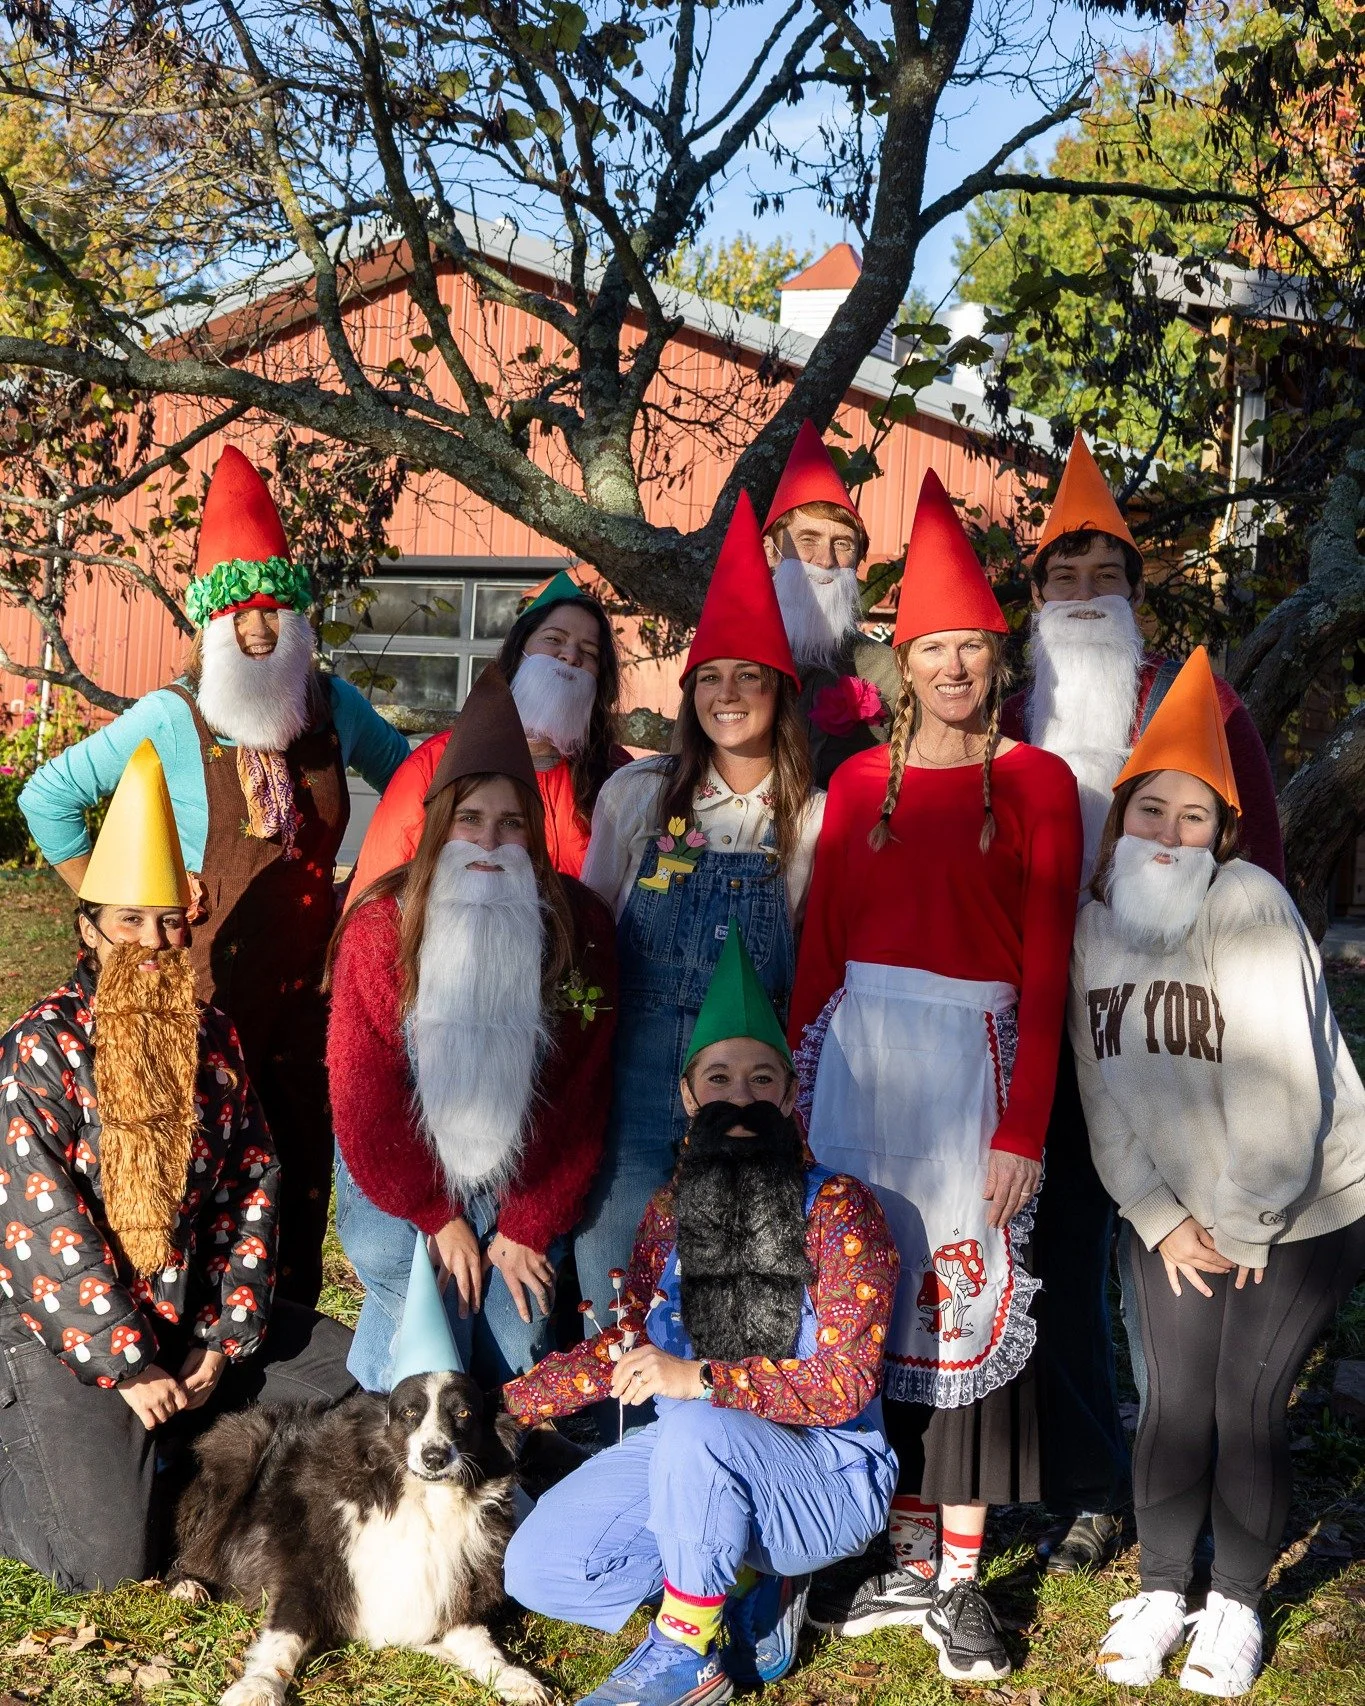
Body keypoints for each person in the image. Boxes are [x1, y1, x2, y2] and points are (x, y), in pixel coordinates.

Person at [787, 469, 1082, 1682]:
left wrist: (1024, 1129)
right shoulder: (858, 784)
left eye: (972, 646)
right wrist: (797, 1104)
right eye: (933, 648)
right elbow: (817, 955)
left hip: (975, 1075)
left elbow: (1052, 961)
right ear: (902, 663)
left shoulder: (1038, 785)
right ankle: (903, 1547)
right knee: (873, 1298)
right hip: (861, 1074)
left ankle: (964, 1573)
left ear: (996, 658)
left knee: (960, 1306)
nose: (954, 667)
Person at [19, 448, 410, 1306]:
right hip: (194, 990)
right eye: (239, 617)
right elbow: (46, 798)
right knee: (193, 1170)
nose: (259, 632)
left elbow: (414, 784)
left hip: (310, 995)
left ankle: (281, 1342)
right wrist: (118, 904)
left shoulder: (333, 706)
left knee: (298, 1166)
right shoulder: (171, 714)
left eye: (272, 611)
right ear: (211, 626)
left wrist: (377, 891)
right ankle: (173, 1345)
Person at [999, 433, 1285, 1575]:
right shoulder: (1012, 707)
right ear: (1034, 597)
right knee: (1065, 1249)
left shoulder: (1196, 699)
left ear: (1134, 590)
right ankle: (1090, 1481)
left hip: (1185, 1032)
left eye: (1102, 576)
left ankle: (1206, 1477)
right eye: (1060, 578)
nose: (1080, 596)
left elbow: (1258, 845)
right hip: (1053, 1025)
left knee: (1185, 1256)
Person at [1069, 646, 1365, 1698]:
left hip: (1300, 1206)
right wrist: (1155, 1212)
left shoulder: (1245, 901)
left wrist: (1236, 1226)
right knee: (1171, 1401)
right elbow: (1101, 1088)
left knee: (1243, 1401)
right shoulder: (1096, 920)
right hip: (1181, 1207)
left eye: (1196, 816)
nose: (1171, 832)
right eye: (1154, 809)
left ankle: (1235, 1600)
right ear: (1123, 813)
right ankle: (1159, 1585)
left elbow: (1285, 1095)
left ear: (1224, 832)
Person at [503, 930, 899, 1706]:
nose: (741, 1097)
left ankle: (687, 1656)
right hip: (698, 1455)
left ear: (789, 1096)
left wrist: (700, 1378)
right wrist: (503, 1407)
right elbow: (625, 1346)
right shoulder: (667, 1211)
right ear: (687, 1096)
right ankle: (735, 1585)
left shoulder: (841, 1207)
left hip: (823, 1475)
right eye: (718, 1078)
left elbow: (847, 1383)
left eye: (761, 1079)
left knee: (692, 1421)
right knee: (537, 1567)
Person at [0, 741, 356, 1593]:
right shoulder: (38, 1048)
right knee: (108, 1566)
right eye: (130, 921)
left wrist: (219, 1340)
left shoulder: (214, 1042)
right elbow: (38, 1221)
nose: (154, 941)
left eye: (169, 922)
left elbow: (253, 1189)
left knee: (364, 1381)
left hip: (187, 1322)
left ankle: (173, 1454)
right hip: (59, 1337)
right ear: (88, 927)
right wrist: (126, 1362)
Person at [326, 665, 618, 1392]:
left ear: (534, 831)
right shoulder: (380, 927)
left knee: (513, 1350)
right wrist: (434, 1214)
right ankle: (378, 1455)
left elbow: (577, 1092)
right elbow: (365, 1092)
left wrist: (527, 1223)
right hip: (399, 1169)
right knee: (421, 1328)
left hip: (522, 1173)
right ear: (436, 825)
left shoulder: (580, 929)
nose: (490, 841)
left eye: (511, 823)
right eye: (471, 819)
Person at [576, 491, 825, 1332]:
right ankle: (600, 1426)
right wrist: (581, 1037)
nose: (727, 695)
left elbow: (813, 952)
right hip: (639, 1066)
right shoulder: (637, 794)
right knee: (614, 1254)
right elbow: (590, 935)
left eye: (746, 678)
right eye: (709, 679)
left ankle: (722, 1418)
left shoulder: (812, 816)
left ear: (777, 690)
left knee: (738, 1261)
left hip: (752, 1077)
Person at [349, 572, 629, 892]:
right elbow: (376, 896)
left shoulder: (617, 774)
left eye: (589, 652)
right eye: (553, 639)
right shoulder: (435, 763)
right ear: (518, 651)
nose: (570, 656)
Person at [760, 420, 900, 786]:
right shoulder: (730, 657)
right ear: (770, 552)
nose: (825, 560)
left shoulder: (885, 668)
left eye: (842, 544)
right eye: (808, 538)